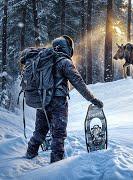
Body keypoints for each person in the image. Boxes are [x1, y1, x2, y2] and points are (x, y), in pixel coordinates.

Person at [25, 35, 104, 163]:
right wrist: (92, 99)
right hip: (58, 103)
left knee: (40, 131)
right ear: (67, 48)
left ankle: (29, 154)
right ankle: (56, 165)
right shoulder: (65, 62)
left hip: (43, 100)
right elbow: (79, 83)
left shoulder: (44, 59)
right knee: (58, 135)